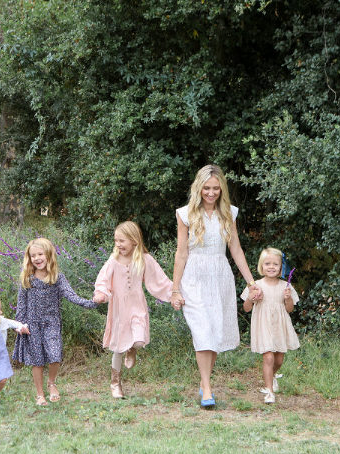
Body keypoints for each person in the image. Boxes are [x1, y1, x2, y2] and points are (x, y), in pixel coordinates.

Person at [171, 164, 261, 408]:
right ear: (198, 188)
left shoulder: (228, 213)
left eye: (215, 189)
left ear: (222, 190)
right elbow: (181, 253)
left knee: (214, 332)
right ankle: (208, 389)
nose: (211, 193)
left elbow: (236, 249)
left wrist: (251, 282)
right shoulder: (185, 214)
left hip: (220, 277)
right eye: (206, 188)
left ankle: (204, 382)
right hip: (194, 278)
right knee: (202, 331)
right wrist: (175, 288)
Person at [12, 238, 97, 406]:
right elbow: (21, 305)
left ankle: (51, 382)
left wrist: (92, 303)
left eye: (40, 254)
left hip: (52, 322)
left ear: (49, 255)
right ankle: (39, 394)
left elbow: (71, 295)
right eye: (33, 255)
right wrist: (19, 325)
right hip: (32, 325)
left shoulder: (57, 278)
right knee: (37, 360)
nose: (37, 258)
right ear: (29, 258)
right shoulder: (27, 279)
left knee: (55, 354)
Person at [93, 221, 173, 399]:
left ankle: (133, 350)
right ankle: (115, 383)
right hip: (119, 310)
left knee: (138, 340)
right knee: (118, 349)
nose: (118, 245)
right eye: (116, 241)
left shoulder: (144, 259)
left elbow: (159, 281)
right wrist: (101, 294)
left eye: (122, 241)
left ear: (134, 240)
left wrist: (174, 293)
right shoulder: (113, 261)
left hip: (137, 306)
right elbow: (103, 280)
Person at [241, 248, 300, 404]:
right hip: (263, 325)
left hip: (280, 326)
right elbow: (246, 308)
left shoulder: (285, 286)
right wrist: (251, 298)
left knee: (278, 360)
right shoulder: (255, 285)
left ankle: (272, 376)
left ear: (281, 267)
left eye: (275, 264)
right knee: (268, 357)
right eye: (267, 263)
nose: (271, 267)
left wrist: (287, 298)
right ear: (262, 266)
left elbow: (289, 309)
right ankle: (269, 392)